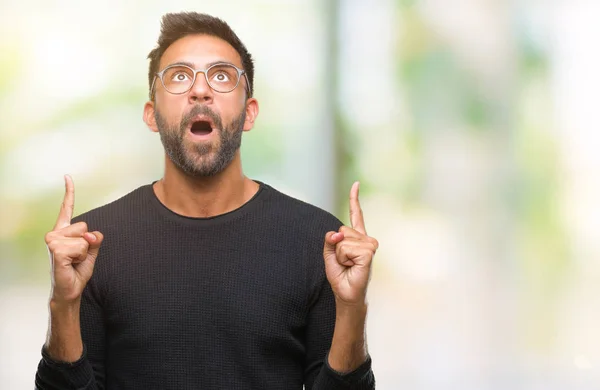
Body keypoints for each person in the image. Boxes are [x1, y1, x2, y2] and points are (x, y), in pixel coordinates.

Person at [34, 12, 378, 390]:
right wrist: (62, 304)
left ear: (249, 113)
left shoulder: (321, 243)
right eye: (179, 76)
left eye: (221, 75)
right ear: (152, 115)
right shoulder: (93, 247)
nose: (200, 90)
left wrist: (352, 309)